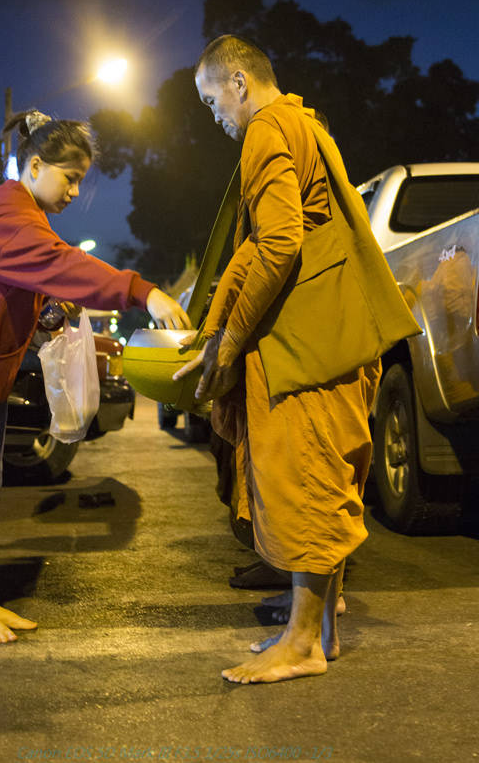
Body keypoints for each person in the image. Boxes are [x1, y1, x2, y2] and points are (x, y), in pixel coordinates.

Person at [175, 35, 418, 684]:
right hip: (337, 327)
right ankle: (324, 629)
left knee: (304, 477)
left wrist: (228, 340)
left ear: (237, 82)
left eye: (210, 100)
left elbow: (277, 242)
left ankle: (302, 641)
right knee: (328, 473)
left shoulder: (266, 128)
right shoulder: (308, 125)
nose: (214, 116)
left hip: (306, 337)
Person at [0, 109, 190, 645]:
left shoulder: (12, 219)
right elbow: (68, 267)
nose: (74, 190)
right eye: (69, 177)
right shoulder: (14, 226)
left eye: (81, 180)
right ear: (35, 164)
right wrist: (141, 290)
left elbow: (21, 285)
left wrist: (45, 312)